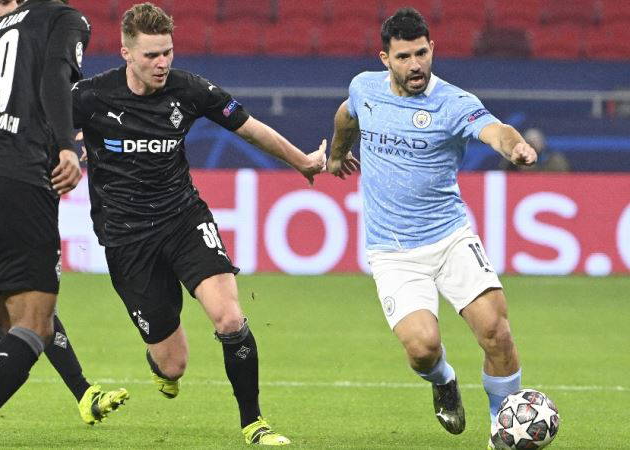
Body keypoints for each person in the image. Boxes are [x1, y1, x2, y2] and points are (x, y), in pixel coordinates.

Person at [72, 3, 325, 445]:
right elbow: (40, 128)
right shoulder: (90, 96)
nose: (162, 63)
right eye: (151, 55)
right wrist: (63, 152)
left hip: (183, 219)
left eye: (167, 52)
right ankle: (162, 366)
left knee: (229, 318)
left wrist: (301, 161)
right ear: (126, 53)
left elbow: (249, 128)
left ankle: (254, 423)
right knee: (173, 364)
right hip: (127, 238)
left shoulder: (188, 89)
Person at [326, 8, 535, 446]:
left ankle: (502, 427)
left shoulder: (454, 103)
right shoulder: (364, 88)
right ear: (385, 59)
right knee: (422, 349)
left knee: (496, 332)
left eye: (422, 53)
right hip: (392, 251)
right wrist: (336, 154)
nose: (415, 64)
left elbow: (495, 130)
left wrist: (514, 147)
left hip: (450, 238)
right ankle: (443, 380)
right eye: (404, 57)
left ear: (432, 49)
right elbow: (347, 114)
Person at [0, 0, 128, 434]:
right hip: (18, 174)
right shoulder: (62, 19)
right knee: (35, 319)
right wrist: (66, 146)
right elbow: (55, 80)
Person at [498, 127, 570, 171]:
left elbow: (564, 175)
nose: (534, 144)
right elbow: (505, 173)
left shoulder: (555, 159)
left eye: (537, 140)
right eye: (530, 141)